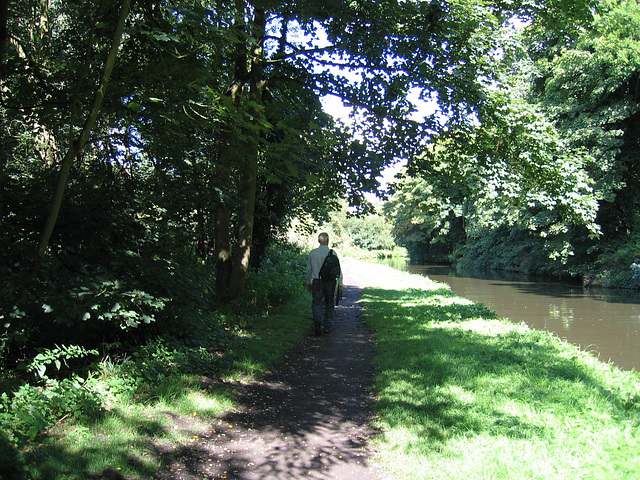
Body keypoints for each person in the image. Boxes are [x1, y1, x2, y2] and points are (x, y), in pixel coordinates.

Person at [306, 232, 344, 335]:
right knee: (329, 303)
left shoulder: (312, 253)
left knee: (317, 302)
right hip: (330, 282)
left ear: (319, 241)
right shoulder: (332, 253)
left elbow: (308, 270)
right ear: (328, 241)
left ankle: (317, 322)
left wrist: (308, 282)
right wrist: (340, 283)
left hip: (317, 281)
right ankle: (327, 326)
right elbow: (338, 269)